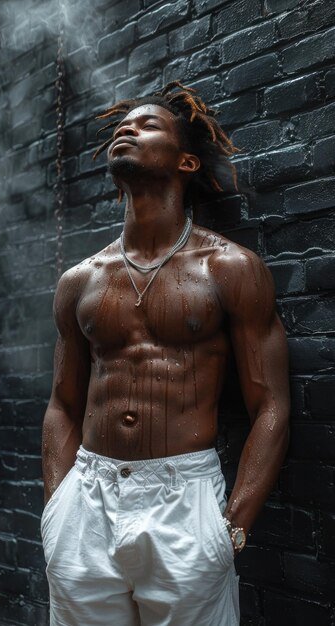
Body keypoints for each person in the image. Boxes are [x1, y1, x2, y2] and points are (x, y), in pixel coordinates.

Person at [41, 81, 290, 626]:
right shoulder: (79, 281)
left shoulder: (229, 268)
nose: (128, 128)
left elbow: (270, 406)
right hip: (86, 500)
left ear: (186, 162)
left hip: (184, 502)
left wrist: (232, 528)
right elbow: (62, 403)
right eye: (124, 125)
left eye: (148, 124)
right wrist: (56, 510)